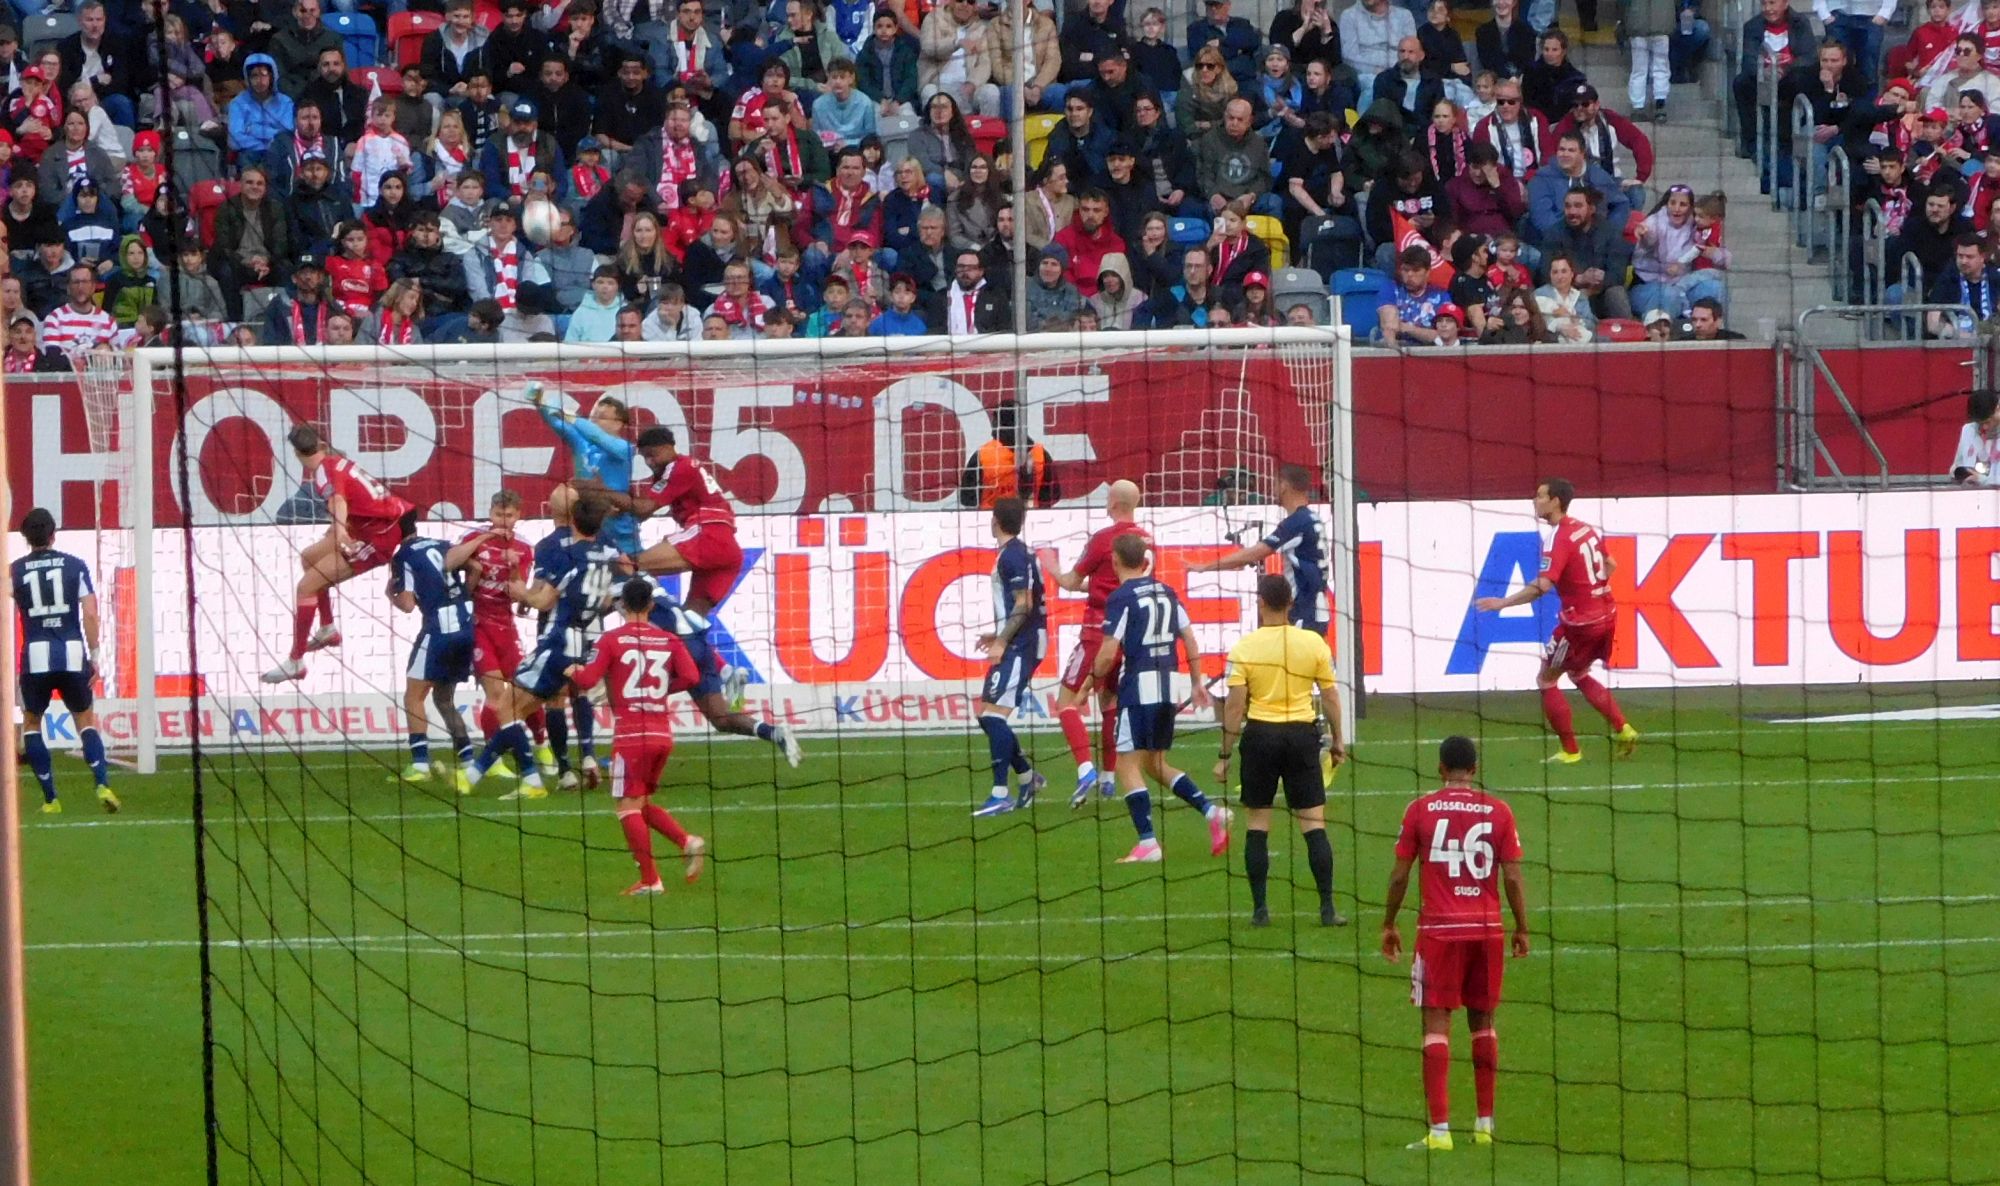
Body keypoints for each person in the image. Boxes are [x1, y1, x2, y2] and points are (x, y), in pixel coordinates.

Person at [1380, 735, 1531, 1152]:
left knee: (1435, 1024)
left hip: (1439, 932)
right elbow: (1513, 877)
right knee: (1484, 1022)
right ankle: (1484, 1125)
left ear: (1440, 769)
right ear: (1475, 769)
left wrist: (1389, 922)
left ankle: (1440, 1132)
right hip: (1487, 931)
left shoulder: (1420, 810)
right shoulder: (1499, 811)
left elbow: (1399, 876)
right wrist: (1521, 927)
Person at [463, 496, 621, 800]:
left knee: (507, 708)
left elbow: (543, 601)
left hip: (557, 643)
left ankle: (531, 780)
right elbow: (605, 602)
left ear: (572, 520)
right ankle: (473, 775)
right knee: (521, 708)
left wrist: (520, 592)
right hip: (584, 643)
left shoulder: (567, 555)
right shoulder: (608, 555)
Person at [1473, 478, 1641, 763]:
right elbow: (1611, 564)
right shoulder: (1585, 529)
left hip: (1580, 623)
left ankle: (1571, 751)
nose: (1535, 500)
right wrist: (1590, 589)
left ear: (1555, 501)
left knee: (1546, 679)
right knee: (1579, 673)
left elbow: (1542, 586)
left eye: (1540, 496)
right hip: (1607, 613)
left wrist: (1502, 603)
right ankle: (1623, 729)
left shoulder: (1557, 537)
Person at [1213, 572, 1345, 923]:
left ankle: (1260, 911)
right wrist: (1338, 740)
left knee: (1258, 825)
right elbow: (1330, 696)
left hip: (1261, 736)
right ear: (1290, 603)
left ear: (1260, 603)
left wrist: (1224, 755)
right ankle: (1328, 909)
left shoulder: (1244, 647)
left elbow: (1235, 706)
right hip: (1301, 736)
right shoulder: (1313, 643)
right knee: (1314, 825)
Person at [566, 578, 708, 894]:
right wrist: (660, 691)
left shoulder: (611, 639)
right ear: (652, 605)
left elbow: (587, 680)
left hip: (631, 736)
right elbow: (691, 676)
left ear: (622, 605)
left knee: (626, 807)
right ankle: (687, 841)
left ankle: (650, 881)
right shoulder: (669, 639)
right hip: (661, 734)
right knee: (640, 803)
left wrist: (572, 671)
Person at [1091, 531, 1224, 864]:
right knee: (1155, 763)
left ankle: (1148, 843)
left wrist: (1093, 680)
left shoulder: (1121, 596)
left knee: (1126, 763)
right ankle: (1212, 813)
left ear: (1115, 561)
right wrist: (1196, 681)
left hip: (1138, 687)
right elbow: (1189, 637)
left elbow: (1107, 652)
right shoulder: (1167, 591)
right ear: (1145, 561)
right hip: (1168, 685)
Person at [262, 426, 417, 684]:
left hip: (381, 535)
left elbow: (339, 501)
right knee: (308, 557)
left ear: (297, 454)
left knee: (305, 587)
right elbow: (352, 497)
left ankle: (296, 661)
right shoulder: (335, 461)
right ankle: (327, 628)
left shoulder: (323, 471)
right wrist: (340, 528)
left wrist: (341, 530)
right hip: (380, 522)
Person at [12, 506, 117, 814]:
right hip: (72, 654)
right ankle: (102, 784)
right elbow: (90, 614)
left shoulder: (14, 570)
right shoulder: (75, 566)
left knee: (32, 724)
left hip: (35, 657)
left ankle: (51, 800)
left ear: (26, 538)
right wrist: (94, 655)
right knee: (84, 720)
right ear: (53, 535)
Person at [1055, 478, 1149, 804]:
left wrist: (1050, 568)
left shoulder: (1104, 539)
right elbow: (1119, 583)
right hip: (1131, 635)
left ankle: (1086, 770)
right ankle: (1109, 778)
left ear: (1113, 503)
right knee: (1109, 702)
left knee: (1066, 702)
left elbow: (1071, 581)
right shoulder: (1146, 539)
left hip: (1098, 632)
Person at [969, 496, 1051, 817]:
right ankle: (1028, 778)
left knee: (993, 716)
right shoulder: (1016, 553)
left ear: (995, 521)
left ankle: (1000, 794)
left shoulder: (1013, 556)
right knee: (987, 714)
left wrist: (1002, 640)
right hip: (1020, 639)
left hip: (1022, 643)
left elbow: (1024, 603)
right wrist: (998, 633)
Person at [386, 523, 484, 790]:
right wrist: (465, 597)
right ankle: (467, 760)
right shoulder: (441, 544)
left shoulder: (402, 556)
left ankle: (420, 765)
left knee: (413, 696)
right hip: (465, 626)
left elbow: (407, 604)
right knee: (443, 698)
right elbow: (476, 568)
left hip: (439, 629)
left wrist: (390, 595)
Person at [533, 382, 639, 558]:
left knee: (629, 567)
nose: (595, 421)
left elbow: (598, 436)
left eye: (602, 417)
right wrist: (540, 403)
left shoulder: (624, 448)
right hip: (588, 521)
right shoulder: (582, 443)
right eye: (594, 416)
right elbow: (557, 424)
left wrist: (572, 418)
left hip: (617, 524)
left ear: (618, 424)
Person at [957, 401, 1059, 509]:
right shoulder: (1041, 454)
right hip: (1031, 516)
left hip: (992, 516)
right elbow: (1053, 495)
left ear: (996, 422)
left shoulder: (982, 455)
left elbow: (967, 499)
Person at [39, 264, 114, 357]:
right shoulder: (54, 319)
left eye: (85, 282)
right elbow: (52, 357)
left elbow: (118, 358)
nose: (80, 287)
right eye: (76, 282)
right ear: (68, 288)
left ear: (93, 287)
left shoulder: (108, 321)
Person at [1950, 388, 2000, 485]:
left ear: (1998, 409)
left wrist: (1981, 479)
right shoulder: (1969, 430)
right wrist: (1957, 472)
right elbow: (1957, 465)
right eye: (1979, 423)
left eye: (1988, 422)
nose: (1984, 427)